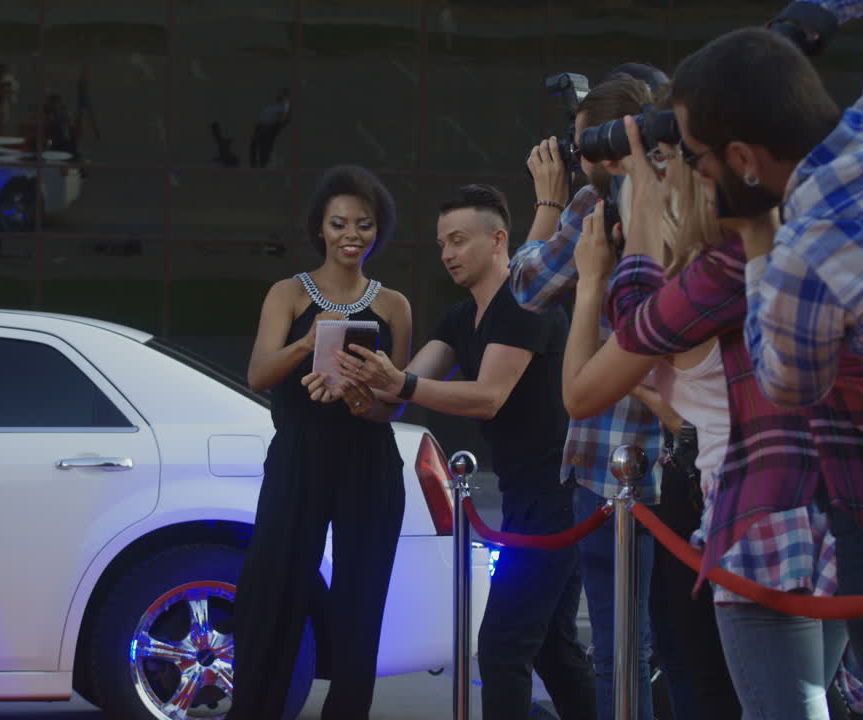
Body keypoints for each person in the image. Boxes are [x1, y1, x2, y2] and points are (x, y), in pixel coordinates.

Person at [669, 0, 863, 714]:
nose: (700, 173)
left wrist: (756, 239)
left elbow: (787, 384)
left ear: (744, 161)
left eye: (700, 159)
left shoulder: (805, 255)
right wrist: (813, 17)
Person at [564, 109, 863, 718]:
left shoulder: (706, 283)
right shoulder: (771, 256)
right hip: (828, 511)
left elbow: (579, 392)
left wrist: (594, 278)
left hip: (760, 520)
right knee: (810, 703)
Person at [336, 184, 596, 720]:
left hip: (557, 498)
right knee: (552, 647)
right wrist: (356, 384)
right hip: (527, 497)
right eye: (440, 244)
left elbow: (487, 397)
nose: (447, 253)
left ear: (499, 239)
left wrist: (400, 386)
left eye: (457, 240)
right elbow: (408, 383)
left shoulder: (529, 303)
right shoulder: (461, 318)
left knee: (504, 645)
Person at [229, 165, 411, 720]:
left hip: (369, 462)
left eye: (363, 223)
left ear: (378, 230)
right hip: (297, 460)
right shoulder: (287, 293)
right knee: (272, 593)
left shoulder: (393, 305)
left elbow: (396, 401)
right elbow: (259, 375)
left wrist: (364, 395)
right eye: (339, 223)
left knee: (361, 604)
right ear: (321, 228)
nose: (351, 235)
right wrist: (310, 340)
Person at [509, 72, 662, 720]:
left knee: (619, 650)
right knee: (678, 650)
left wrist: (549, 200)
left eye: (581, 146)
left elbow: (525, 287)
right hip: (685, 458)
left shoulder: (591, 206)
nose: (577, 160)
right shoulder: (690, 196)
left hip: (610, 452)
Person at [249, 88, 291, 168]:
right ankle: (257, 164)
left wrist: (274, 124)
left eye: (283, 95)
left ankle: (262, 164)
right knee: (255, 144)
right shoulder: (276, 106)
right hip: (261, 125)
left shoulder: (284, 106)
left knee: (263, 146)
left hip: (268, 126)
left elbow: (283, 117)